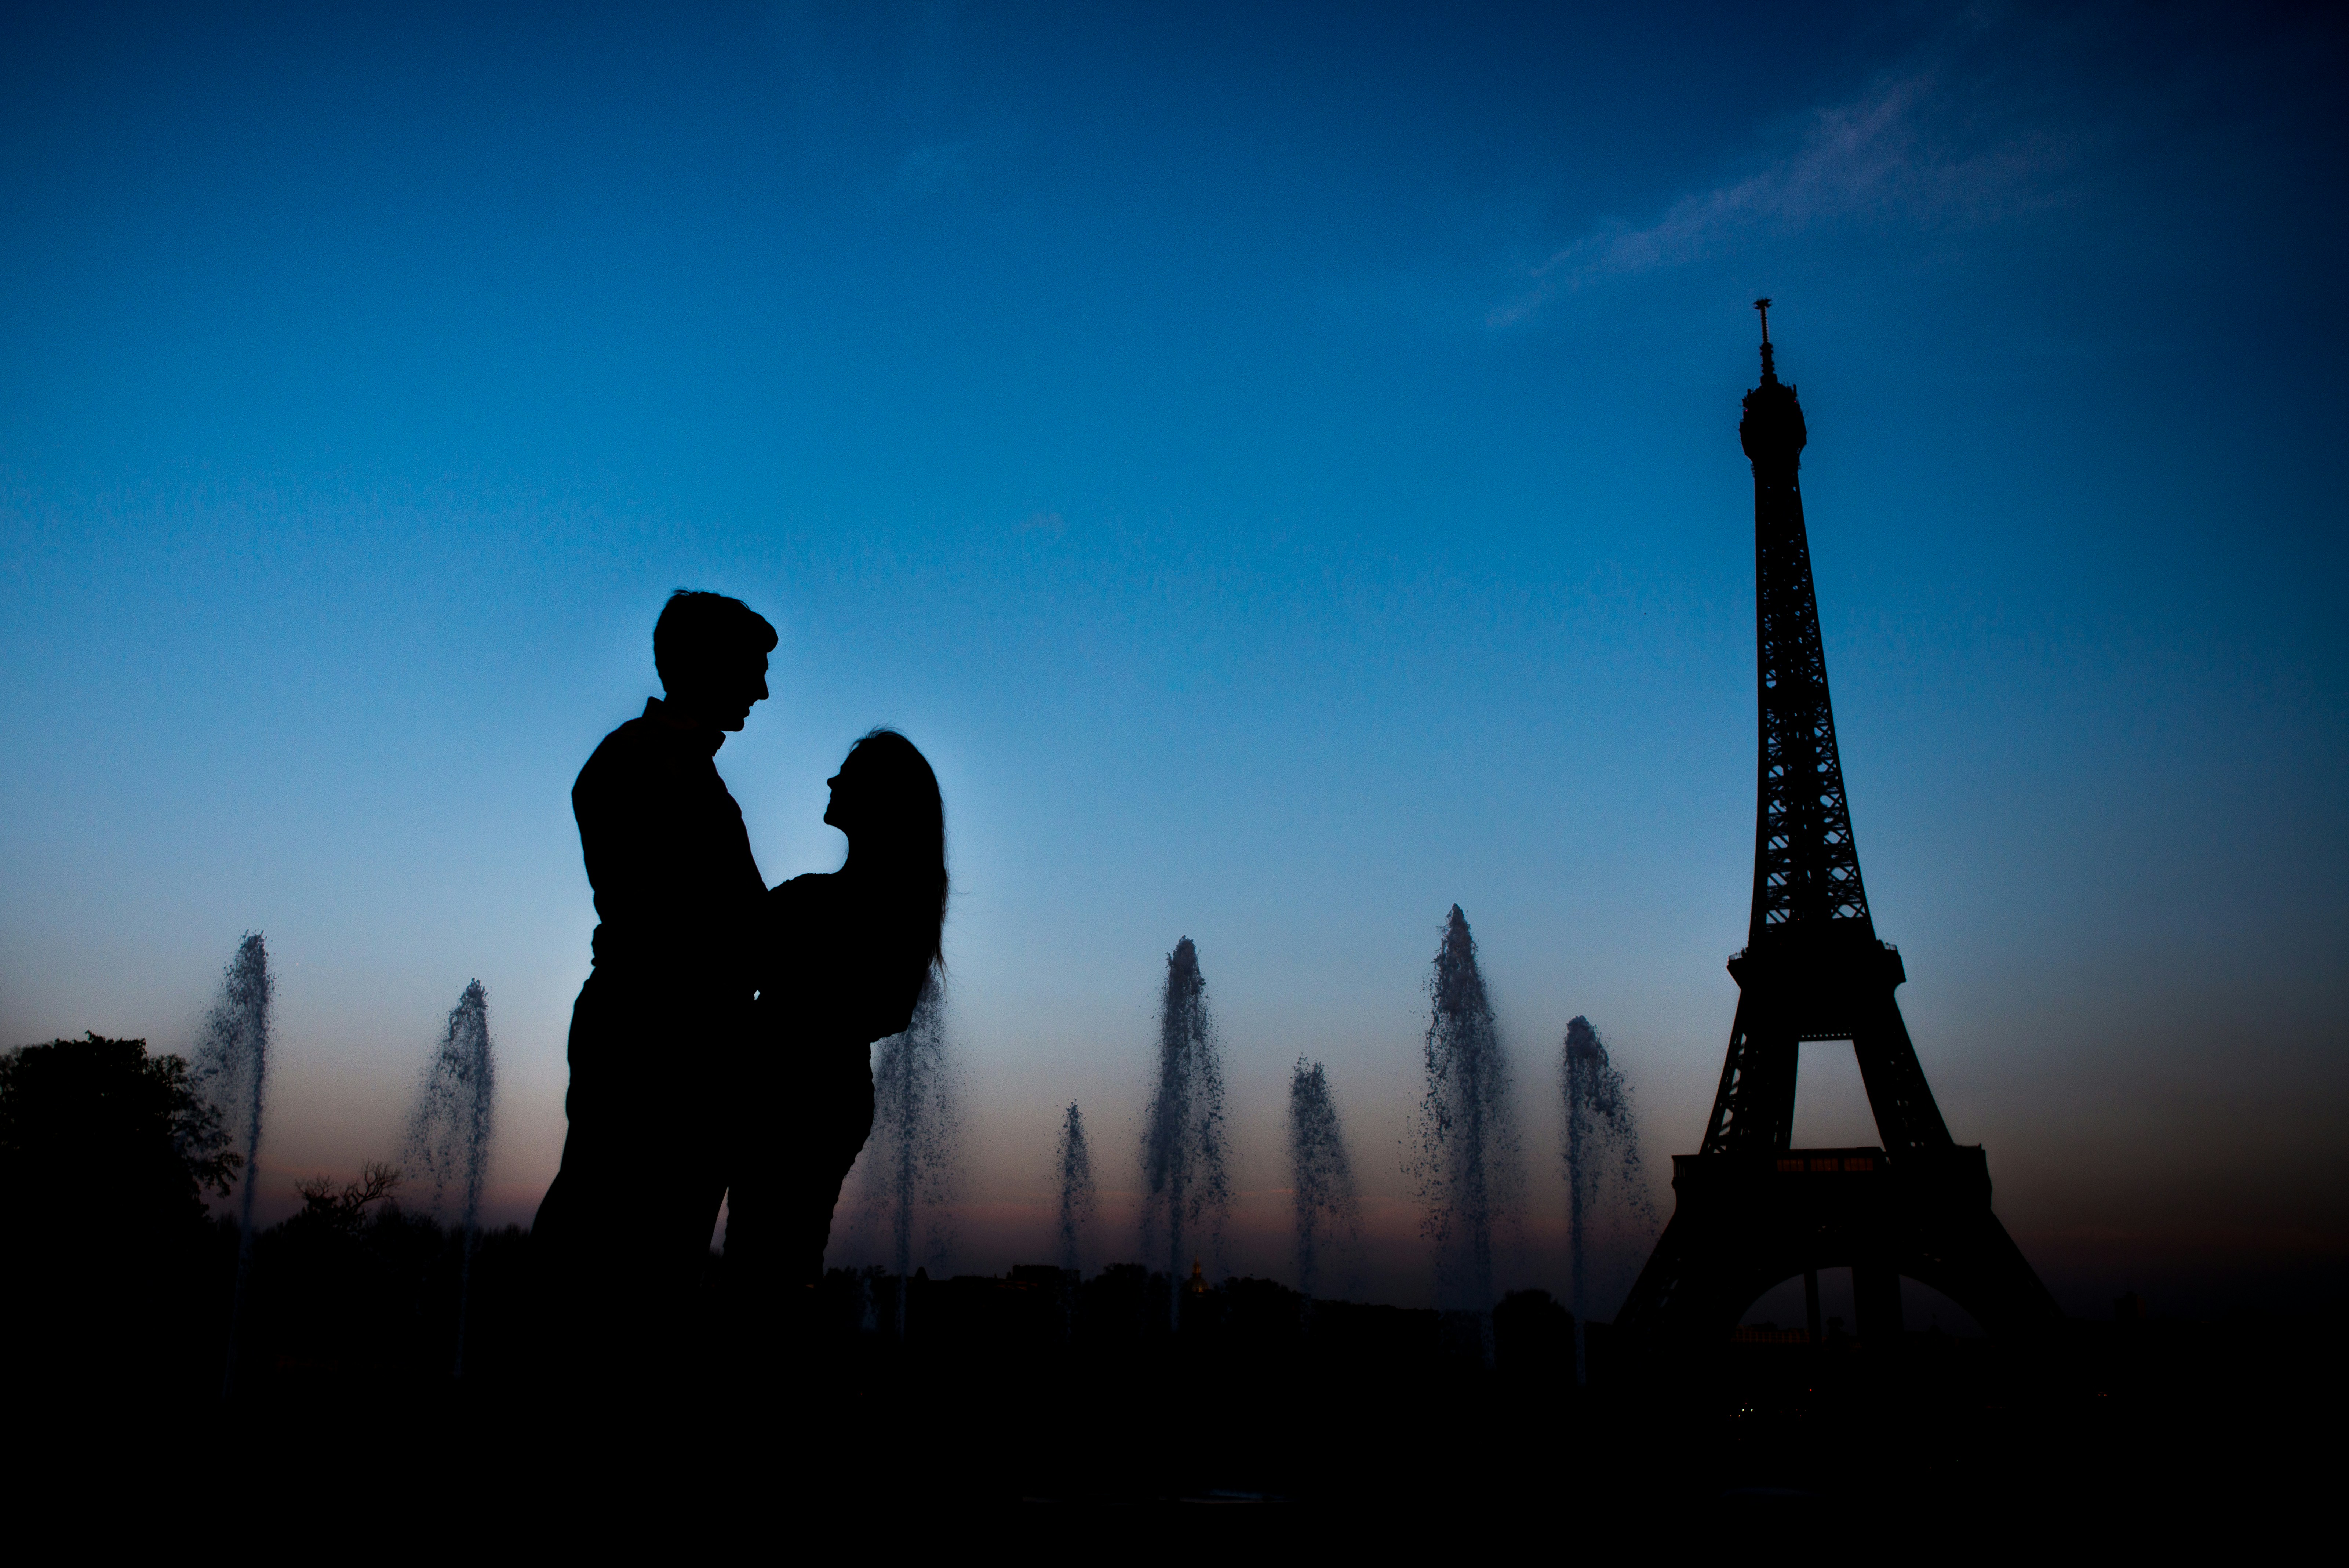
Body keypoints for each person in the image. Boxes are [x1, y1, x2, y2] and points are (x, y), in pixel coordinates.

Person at [531, 589, 777, 1393]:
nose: (763, 691)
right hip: (655, 1031)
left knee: (657, 1252)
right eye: (754, 670)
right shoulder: (639, 763)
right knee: (612, 1243)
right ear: (705, 664)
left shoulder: (683, 769)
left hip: (682, 1032)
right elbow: (687, 915)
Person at [725, 728, 948, 1342]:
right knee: (770, 1260)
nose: (831, 782)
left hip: (807, 1092)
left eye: (846, 774)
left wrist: (793, 995)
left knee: (767, 1264)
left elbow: (886, 1008)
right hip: (800, 1086)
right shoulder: (836, 898)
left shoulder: (851, 904)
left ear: (878, 797)